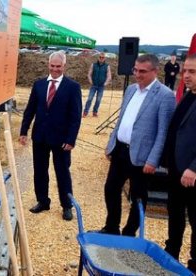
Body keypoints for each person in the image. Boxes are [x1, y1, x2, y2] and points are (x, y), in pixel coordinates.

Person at [98, 54, 176, 236]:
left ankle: (129, 232)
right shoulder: (131, 90)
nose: (137, 74)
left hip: (142, 156)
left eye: (142, 71)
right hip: (121, 150)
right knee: (111, 188)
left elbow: (163, 132)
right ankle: (111, 227)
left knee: (138, 196)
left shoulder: (165, 96)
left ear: (155, 71)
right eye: (135, 70)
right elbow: (121, 120)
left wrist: (153, 160)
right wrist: (111, 144)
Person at [19, 51, 82, 221]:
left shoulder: (72, 87)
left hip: (61, 140)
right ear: (48, 65)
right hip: (40, 137)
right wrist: (23, 131)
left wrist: (71, 139)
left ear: (64, 66)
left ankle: (67, 205)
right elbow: (30, 110)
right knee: (40, 171)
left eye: (58, 66)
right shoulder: (38, 85)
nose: (55, 69)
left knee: (62, 172)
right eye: (52, 66)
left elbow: (75, 117)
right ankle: (42, 201)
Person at [162, 53, 196, 273]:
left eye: (192, 72)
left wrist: (194, 168)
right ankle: (171, 254)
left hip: (192, 174)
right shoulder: (188, 96)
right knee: (174, 214)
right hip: (176, 169)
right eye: (185, 71)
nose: (186, 76)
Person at [83, 53, 112, 117]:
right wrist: (90, 81)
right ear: (98, 58)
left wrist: (105, 83)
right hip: (94, 85)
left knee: (98, 100)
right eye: (100, 57)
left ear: (105, 58)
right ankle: (85, 112)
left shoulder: (107, 66)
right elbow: (89, 74)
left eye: (102, 57)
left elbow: (109, 76)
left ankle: (95, 112)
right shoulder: (93, 65)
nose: (101, 58)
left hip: (101, 86)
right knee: (89, 99)